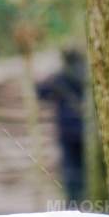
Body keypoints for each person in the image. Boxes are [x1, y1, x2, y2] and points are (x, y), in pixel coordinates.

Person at [36, 49, 88, 203]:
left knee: (71, 167)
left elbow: (40, 92)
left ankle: (74, 200)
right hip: (83, 131)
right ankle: (80, 199)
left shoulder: (60, 78)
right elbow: (41, 93)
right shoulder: (86, 77)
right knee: (80, 167)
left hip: (68, 131)